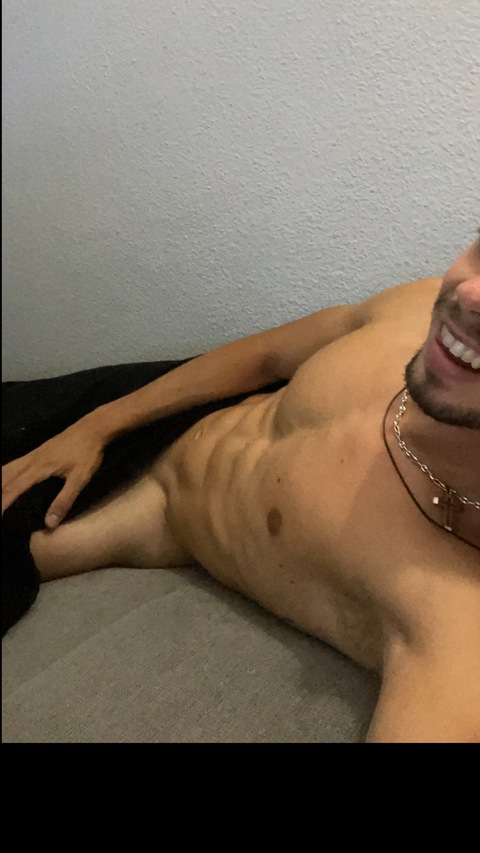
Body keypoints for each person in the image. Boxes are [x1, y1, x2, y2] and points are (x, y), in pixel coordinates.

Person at [2, 232, 480, 743]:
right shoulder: (412, 309)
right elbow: (267, 356)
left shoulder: (454, 622)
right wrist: (96, 427)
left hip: (150, 514)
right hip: (157, 415)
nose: (471, 294)